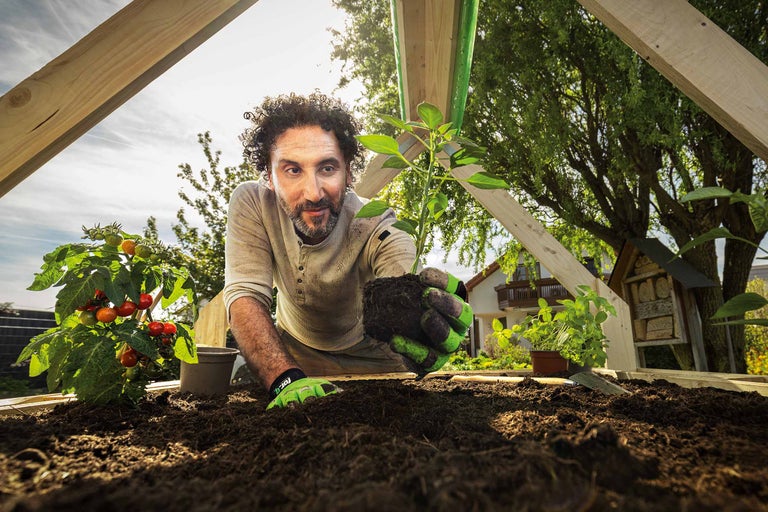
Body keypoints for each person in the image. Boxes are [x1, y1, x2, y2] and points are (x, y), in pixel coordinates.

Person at [224, 92, 472, 409]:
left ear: (349, 173)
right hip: (292, 360)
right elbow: (244, 295)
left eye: (327, 168)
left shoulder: (376, 225)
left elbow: (397, 279)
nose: (313, 194)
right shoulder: (252, 203)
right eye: (292, 170)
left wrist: (425, 324)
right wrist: (285, 377)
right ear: (269, 177)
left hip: (378, 367)